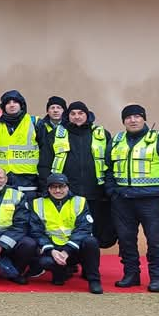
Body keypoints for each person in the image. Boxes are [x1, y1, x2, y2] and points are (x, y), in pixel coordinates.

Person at [107, 104, 159, 292]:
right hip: (122, 201)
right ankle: (131, 274)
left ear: (144, 119)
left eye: (137, 116)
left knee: (154, 241)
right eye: (128, 117)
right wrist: (111, 191)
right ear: (123, 121)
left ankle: (156, 278)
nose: (133, 120)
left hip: (152, 201)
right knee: (125, 240)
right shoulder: (116, 140)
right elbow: (107, 169)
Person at [39, 101, 116, 248]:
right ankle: (69, 263)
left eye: (81, 113)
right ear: (68, 116)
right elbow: (44, 164)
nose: (77, 116)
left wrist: (109, 189)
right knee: (68, 231)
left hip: (96, 193)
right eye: (73, 113)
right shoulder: (56, 135)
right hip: (66, 194)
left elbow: (111, 163)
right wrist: (46, 188)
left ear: (87, 115)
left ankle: (90, 266)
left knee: (94, 233)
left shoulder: (101, 133)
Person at [29, 173, 104, 294]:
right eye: (54, 187)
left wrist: (67, 250)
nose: (58, 190)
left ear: (67, 187)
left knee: (91, 242)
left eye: (61, 186)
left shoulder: (79, 201)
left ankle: (94, 280)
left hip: (74, 248)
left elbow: (84, 228)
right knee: (46, 263)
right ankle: (62, 272)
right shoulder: (38, 203)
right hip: (53, 249)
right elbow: (36, 231)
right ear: (48, 188)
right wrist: (51, 251)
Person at [0, 90, 43, 197]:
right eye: (8, 103)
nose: (11, 105)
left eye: (15, 102)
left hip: (29, 179)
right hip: (3, 178)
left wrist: (43, 178)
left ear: (21, 105)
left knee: (27, 211)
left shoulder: (35, 122)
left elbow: (45, 151)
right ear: (4, 107)